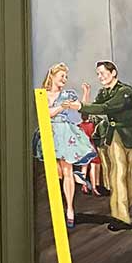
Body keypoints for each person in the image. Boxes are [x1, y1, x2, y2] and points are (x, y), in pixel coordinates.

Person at [78, 61, 132, 230]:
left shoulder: (125, 91)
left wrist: (81, 106)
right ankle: (121, 216)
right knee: (118, 173)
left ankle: (123, 209)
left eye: (102, 73)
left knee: (131, 176)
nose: (100, 77)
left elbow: (106, 107)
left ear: (113, 73)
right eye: (98, 74)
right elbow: (90, 110)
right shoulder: (103, 92)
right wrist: (85, 96)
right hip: (114, 135)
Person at [34, 64, 93, 228]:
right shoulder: (42, 94)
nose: (64, 80)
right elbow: (45, 113)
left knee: (66, 170)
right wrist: (62, 106)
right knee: (56, 173)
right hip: (49, 132)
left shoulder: (68, 94)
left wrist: (86, 94)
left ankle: (70, 210)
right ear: (52, 76)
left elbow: (82, 109)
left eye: (66, 77)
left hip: (65, 133)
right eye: (61, 76)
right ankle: (77, 176)